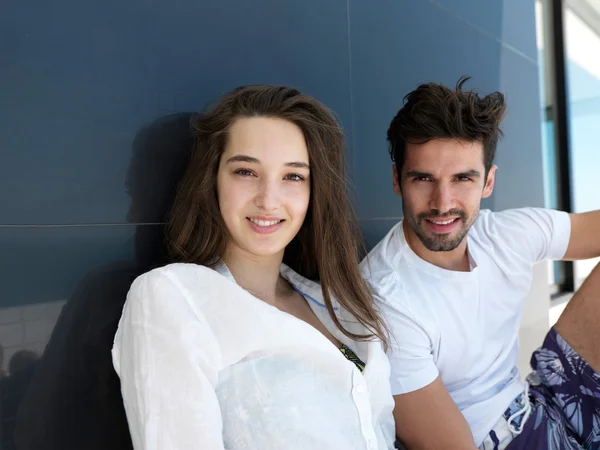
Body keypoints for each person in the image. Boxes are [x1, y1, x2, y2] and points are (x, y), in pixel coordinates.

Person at [112, 85, 396, 449]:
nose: (268, 199)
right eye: (245, 171)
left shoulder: (340, 304)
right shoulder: (173, 298)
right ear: (212, 179)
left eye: (293, 176)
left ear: (314, 191)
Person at [361, 77, 600, 449]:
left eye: (462, 179)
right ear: (397, 179)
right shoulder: (384, 300)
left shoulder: (506, 234)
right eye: (423, 178)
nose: (442, 203)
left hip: (544, 400)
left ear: (488, 182)